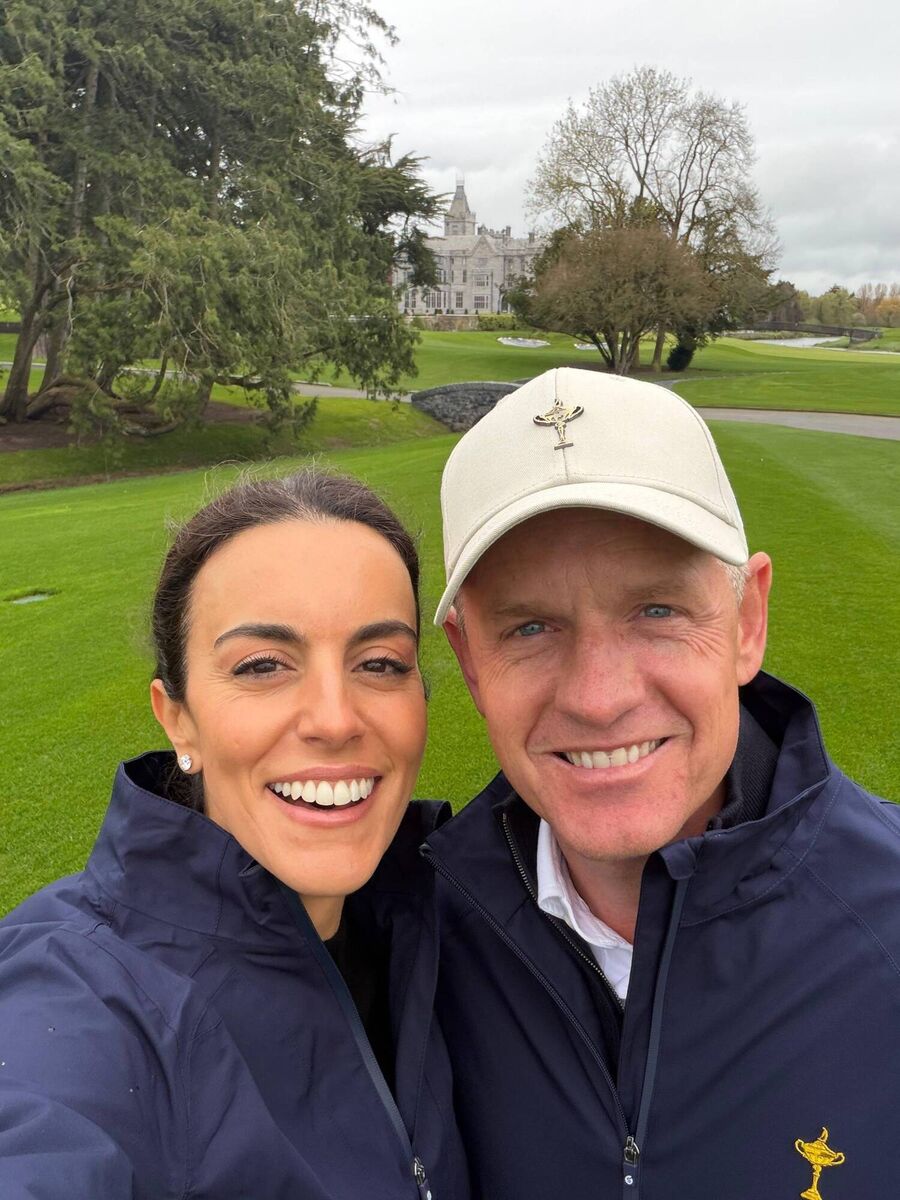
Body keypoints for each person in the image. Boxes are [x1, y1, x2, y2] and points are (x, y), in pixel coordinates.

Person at [422, 367, 900, 1199]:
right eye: (530, 627)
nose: (600, 698)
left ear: (748, 621)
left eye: (657, 612)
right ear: (469, 662)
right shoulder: (414, 938)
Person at [0, 469, 466, 1200]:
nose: (335, 719)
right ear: (176, 716)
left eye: (380, 664)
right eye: (262, 667)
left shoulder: (449, 917)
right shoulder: (81, 996)